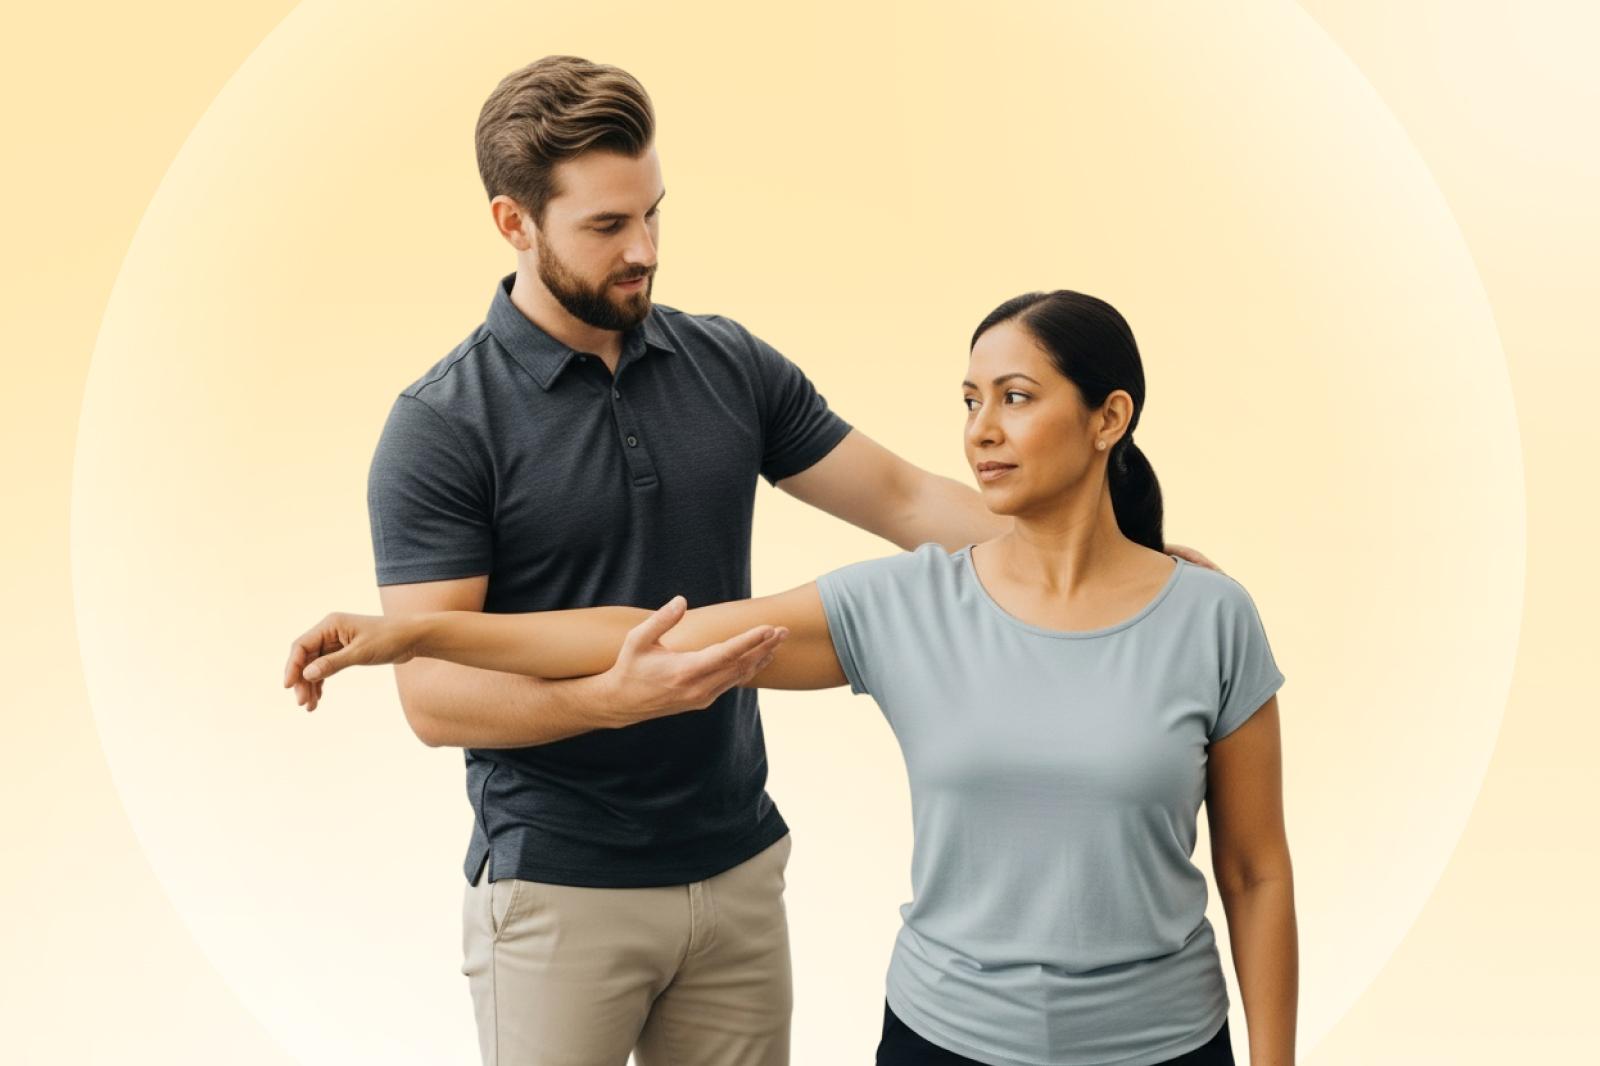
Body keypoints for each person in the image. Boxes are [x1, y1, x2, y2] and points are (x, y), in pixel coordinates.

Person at [285, 289, 1296, 1066]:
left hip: (1164, 1040)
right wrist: (414, 635)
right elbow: (643, 632)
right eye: (970, 401)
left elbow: (1255, 873)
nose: (981, 427)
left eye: (1017, 399)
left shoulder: (1209, 618)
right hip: (942, 1035)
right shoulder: (907, 604)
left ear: (1109, 417)